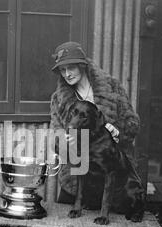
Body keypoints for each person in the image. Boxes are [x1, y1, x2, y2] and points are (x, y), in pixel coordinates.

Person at [49, 41, 143, 211]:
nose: (67, 74)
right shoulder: (58, 99)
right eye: (62, 70)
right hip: (77, 180)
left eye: (71, 68)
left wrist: (118, 132)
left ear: (82, 66)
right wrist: (64, 141)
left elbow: (132, 123)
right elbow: (56, 135)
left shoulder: (112, 87)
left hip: (112, 179)